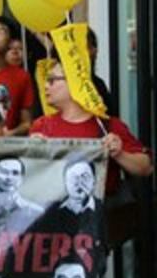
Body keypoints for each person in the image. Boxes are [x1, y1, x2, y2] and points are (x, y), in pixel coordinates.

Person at [30, 58, 152, 197]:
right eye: (46, 80)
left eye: (52, 80)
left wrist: (119, 154)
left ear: (74, 83)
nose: (46, 86)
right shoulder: (41, 126)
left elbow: (146, 168)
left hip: (101, 213)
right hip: (56, 213)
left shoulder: (108, 125)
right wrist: (30, 154)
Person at [0, 155, 43, 232]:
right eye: (4, 172)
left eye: (15, 173)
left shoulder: (36, 212)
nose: (9, 178)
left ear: (21, 178)